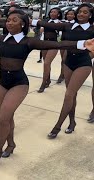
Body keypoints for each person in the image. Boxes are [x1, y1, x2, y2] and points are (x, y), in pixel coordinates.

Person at [0, 9, 94, 165]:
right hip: (3, 83)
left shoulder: (28, 41)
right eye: (8, 20)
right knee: (7, 117)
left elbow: (53, 43)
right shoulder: (0, 39)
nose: (9, 22)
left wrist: (81, 44)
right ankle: (11, 144)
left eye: (14, 20)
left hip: (19, 84)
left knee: (3, 117)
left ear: (23, 24)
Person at [31, 3, 94, 138]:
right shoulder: (68, 25)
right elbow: (49, 25)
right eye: (79, 11)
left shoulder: (92, 29)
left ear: (90, 15)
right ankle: (72, 122)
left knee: (68, 95)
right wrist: (31, 21)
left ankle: (57, 126)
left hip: (83, 64)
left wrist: (89, 55)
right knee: (72, 95)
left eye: (85, 12)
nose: (81, 14)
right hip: (68, 62)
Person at [37, 7, 62, 93]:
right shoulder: (46, 21)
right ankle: (48, 79)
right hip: (45, 43)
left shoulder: (59, 23)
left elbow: (60, 35)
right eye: (51, 12)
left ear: (58, 14)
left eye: (54, 12)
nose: (52, 13)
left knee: (47, 63)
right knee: (46, 64)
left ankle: (43, 83)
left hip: (54, 44)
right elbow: (41, 30)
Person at [57, 9, 76, 83]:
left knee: (68, 59)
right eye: (68, 14)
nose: (69, 15)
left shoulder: (76, 24)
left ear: (75, 16)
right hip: (63, 42)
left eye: (71, 14)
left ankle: (69, 74)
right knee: (63, 60)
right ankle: (62, 74)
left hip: (72, 44)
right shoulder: (63, 23)